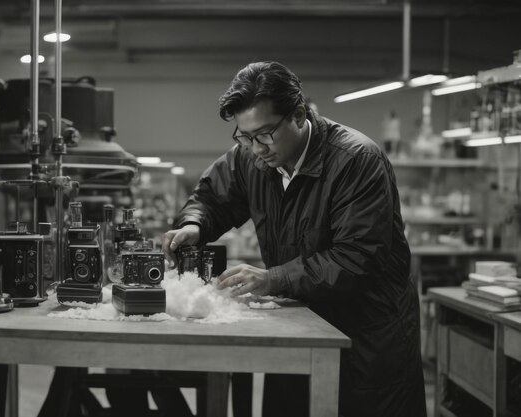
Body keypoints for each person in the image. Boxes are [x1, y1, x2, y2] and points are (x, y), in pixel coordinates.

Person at [161, 61, 426, 417]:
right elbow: (212, 197)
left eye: (265, 134)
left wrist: (274, 278)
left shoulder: (356, 162)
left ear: (299, 115)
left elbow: (356, 260)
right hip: (299, 326)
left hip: (365, 340)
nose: (256, 148)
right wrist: (195, 224)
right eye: (244, 136)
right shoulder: (252, 159)